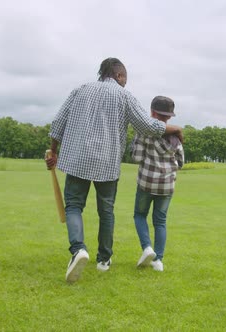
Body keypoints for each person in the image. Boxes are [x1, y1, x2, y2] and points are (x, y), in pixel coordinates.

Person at [45, 57, 184, 283]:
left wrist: (53, 151)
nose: (126, 82)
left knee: (74, 206)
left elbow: (58, 124)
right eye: (125, 78)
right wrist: (175, 127)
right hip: (107, 163)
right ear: (118, 75)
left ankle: (78, 249)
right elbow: (148, 126)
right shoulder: (123, 95)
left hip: (78, 158)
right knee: (106, 212)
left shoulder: (80, 89)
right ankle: (103, 260)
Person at [131, 96, 184, 272]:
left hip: (146, 183)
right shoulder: (176, 137)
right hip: (167, 185)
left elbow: (136, 157)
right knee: (160, 222)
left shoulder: (144, 132)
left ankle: (147, 248)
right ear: (169, 117)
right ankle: (158, 261)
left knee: (139, 215)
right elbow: (181, 162)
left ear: (153, 112)